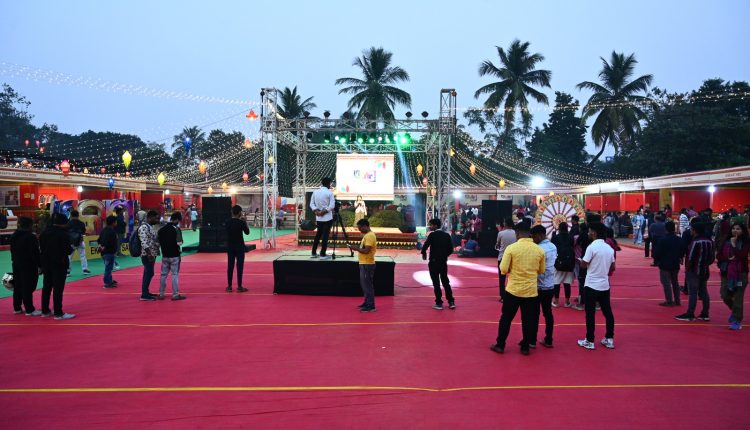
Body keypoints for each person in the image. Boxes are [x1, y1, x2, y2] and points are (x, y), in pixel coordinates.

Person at [490, 223, 545, 356]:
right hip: (531, 291)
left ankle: (500, 345)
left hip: (513, 290)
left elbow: (503, 269)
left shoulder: (511, 248)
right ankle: (525, 347)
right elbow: (541, 270)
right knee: (528, 320)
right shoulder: (539, 250)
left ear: (517, 233)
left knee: (506, 318)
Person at [576, 223, 616, 350]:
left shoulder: (592, 247)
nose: (588, 233)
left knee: (590, 313)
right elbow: (613, 267)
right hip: (604, 285)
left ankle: (590, 340)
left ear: (594, 233)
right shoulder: (609, 248)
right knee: (607, 312)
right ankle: (609, 338)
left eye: (589, 231)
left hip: (591, 284)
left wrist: (579, 261)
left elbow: (584, 264)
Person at [39, 213, 75, 319]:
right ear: (63, 223)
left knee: (46, 287)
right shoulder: (63, 234)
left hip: (46, 263)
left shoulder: (44, 233)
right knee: (58, 289)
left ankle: (45, 310)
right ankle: (58, 312)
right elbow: (68, 250)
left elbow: (41, 248)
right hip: (59, 264)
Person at [675, 223, 714, 322]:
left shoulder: (695, 242)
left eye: (691, 229)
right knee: (704, 292)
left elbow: (690, 257)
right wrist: (705, 265)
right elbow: (712, 258)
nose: (690, 231)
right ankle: (705, 313)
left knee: (693, 293)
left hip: (694, 270)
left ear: (695, 230)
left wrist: (688, 269)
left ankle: (690, 313)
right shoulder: (709, 241)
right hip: (705, 270)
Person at [717, 223, 749, 330]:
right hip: (726, 272)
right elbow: (719, 255)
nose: (735, 230)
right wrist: (727, 259)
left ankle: (736, 320)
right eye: (733, 228)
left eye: (738, 229)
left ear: (743, 231)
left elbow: (741, 255)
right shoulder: (725, 241)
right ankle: (735, 311)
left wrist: (734, 244)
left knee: (738, 298)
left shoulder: (745, 242)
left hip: (740, 274)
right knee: (724, 295)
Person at [10, 216, 42, 316]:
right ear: (30, 225)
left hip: (16, 263)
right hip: (29, 265)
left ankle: (17, 308)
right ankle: (29, 309)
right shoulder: (31, 237)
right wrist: (40, 265)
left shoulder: (14, 235)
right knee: (28, 286)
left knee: (18, 285)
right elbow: (35, 253)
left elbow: (12, 250)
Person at [421, 218, 455, 310]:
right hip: (443, 262)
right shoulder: (447, 235)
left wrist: (423, 253)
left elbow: (425, 245)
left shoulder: (432, 235)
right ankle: (451, 302)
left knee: (436, 283)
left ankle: (439, 303)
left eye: (431, 225)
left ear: (435, 225)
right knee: (445, 282)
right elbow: (451, 249)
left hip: (433, 262)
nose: (430, 226)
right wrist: (444, 256)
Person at [532, 225, 557, 348]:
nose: (533, 239)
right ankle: (549, 339)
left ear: (540, 235)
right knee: (548, 313)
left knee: (534, 314)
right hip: (550, 284)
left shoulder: (538, 249)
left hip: (538, 285)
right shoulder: (553, 246)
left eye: (534, 237)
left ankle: (532, 340)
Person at [349, 219, 377, 312]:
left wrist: (355, 248)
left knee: (367, 285)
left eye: (360, 228)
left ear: (365, 226)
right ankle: (367, 302)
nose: (359, 230)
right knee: (365, 285)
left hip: (367, 264)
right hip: (364, 263)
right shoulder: (367, 235)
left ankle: (371, 305)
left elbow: (366, 251)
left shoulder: (369, 236)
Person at [158, 212, 186, 300]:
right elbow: (180, 242)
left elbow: (157, 243)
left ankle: (161, 294)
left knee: (163, 275)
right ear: (177, 219)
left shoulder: (161, 230)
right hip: (175, 255)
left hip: (165, 255)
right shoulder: (176, 229)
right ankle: (175, 294)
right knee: (174, 274)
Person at [653, 221, 682, 306]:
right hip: (675, 263)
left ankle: (669, 300)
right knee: (675, 282)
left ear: (666, 229)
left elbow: (657, 253)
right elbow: (682, 251)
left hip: (665, 264)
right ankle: (677, 300)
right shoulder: (679, 239)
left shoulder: (663, 240)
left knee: (666, 283)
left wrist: (658, 260)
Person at [310, 177, 336, 260]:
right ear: (329, 184)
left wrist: (316, 211)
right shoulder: (330, 193)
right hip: (327, 218)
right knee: (325, 236)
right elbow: (332, 206)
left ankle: (313, 253)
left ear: (321, 183)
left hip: (318, 218)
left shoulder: (315, 192)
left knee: (318, 234)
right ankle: (322, 254)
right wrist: (323, 212)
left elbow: (311, 204)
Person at [138, 210, 160, 301]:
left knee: (148, 273)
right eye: (156, 218)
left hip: (151, 253)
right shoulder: (143, 227)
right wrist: (149, 254)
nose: (157, 220)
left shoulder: (149, 227)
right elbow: (144, 242)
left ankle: (146, 292)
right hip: (147, 255)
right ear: (150, 218)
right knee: (149, 273)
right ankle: (144, 294)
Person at [226, 205, 250, 292]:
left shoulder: (227, 222)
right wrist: (245, 222)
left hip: (230, 247)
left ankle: (229, 286)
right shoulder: (241, 222)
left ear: (232, 212)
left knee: (230, 266)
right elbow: (247, 232)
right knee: (240, 267)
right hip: (240, 247)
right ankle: (239, 286)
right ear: (240, 212)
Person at [552, 222, 575, 307]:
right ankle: (567, 302)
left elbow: (553, 247)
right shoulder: (571, 237)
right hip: (569, 262)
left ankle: (556, 301)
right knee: (567, 283)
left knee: (556, 282)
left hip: (559, 261)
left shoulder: (556, 237)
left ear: (559, 228)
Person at [495, 217, 517, 302]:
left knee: (502, 278)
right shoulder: (516, 233)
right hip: (513, 257)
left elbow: (497, 245)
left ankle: (503, 297)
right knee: (514, 277)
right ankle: (513, 294)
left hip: (502, 257)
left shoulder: (501, 233)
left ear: (505, 224)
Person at [572, 223, 591, 311]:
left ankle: (581, 301)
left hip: (579, 260)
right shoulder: (590, 239)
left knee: (581, 281)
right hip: (587, 260)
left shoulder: (577, 238)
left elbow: (573, 245)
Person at [97, 215, 119, 289]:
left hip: (105, 252)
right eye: (115, 222)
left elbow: (99, 240)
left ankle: (109, 280)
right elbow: (109, 242)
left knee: (109, 267)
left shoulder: (104, 230)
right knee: (108, 268)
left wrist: (101, 246)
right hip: (109, 252)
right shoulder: (112, 231)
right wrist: (104, 246)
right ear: (113, 223)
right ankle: (107, 283)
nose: (116, 223)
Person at [66, 210, 90, 276]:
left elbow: (66, 232)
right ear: (78, 215)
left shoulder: (68, 223)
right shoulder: (81, 223)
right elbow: (83, 232)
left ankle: (67, 271)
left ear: (71, 215)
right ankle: (85, 269)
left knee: (69, 257)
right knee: (83, 256)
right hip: (80, 241)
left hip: (70, 242)